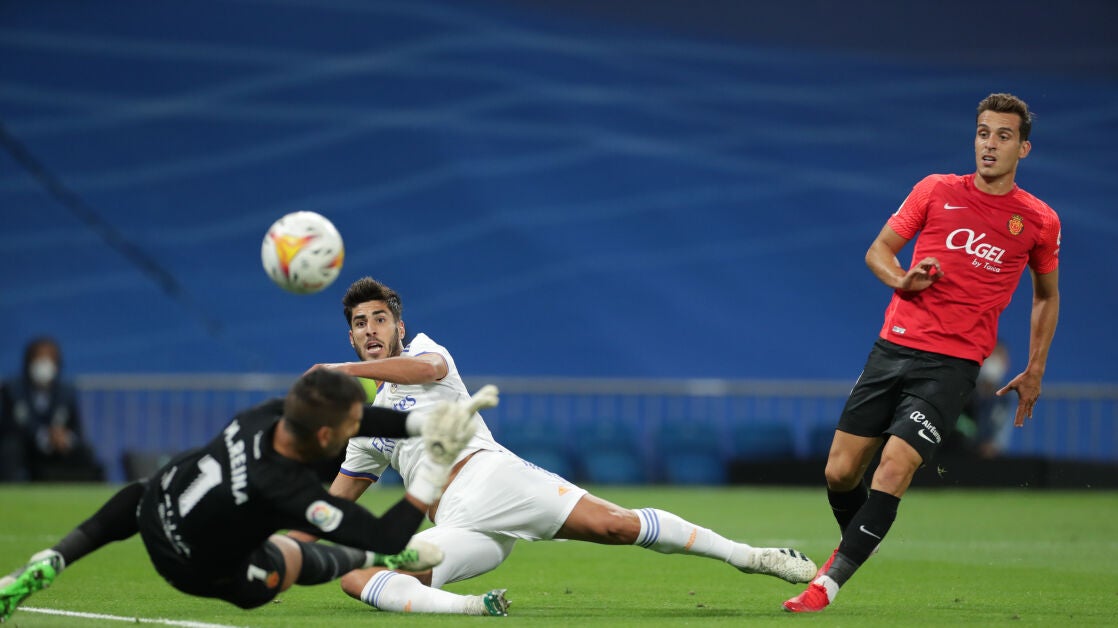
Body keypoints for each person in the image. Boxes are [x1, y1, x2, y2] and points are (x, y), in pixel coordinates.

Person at [302, 277, 817, 616]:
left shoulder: (426, 353)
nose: (370, 329)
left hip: (491, 480)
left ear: (399, 326)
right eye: (360, 324)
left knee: (617, 526)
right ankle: (474, 607)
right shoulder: (364, 426)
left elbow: (426, 370)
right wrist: (284, 546)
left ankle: (749, 556)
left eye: (379, 319)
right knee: (357, 577)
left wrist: (343, 370)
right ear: (351, 336)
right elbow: (336, 501)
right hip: (459, 525)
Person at [783, 93, 1060, 613]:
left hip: (952, 366)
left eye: (1003, 136)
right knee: (839, 472)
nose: (990, 145)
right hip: (892, 349)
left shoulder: (1038, 221)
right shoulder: (935, 189)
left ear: (1023, 148)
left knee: (892, 468)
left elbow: (1046, 295)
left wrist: (1035, 367)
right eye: (983, 133)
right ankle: (860, 542)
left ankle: (827, 584)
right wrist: (901, 280)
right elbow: (878, 251)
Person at [0, 369, 510, 623]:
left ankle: (53, 558)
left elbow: (353, 418)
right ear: (326, 438)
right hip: (194, 568)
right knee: (288, 557)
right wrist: (431, 470)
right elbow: (387, 532)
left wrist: (423, 423)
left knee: (140, 493)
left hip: (157, 506)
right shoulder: (288, 490)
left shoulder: (264, 414)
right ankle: (363, 563)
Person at [0, 337, 103, 482]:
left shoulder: (66, 392)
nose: (44, 364)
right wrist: (45, 436)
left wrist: (66, 438)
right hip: (25, 444)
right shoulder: (12, 389)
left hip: (57, 448)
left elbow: (76, 429)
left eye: (49, 358)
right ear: (29, 361)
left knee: (85, 451)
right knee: (10, 448)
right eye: (39, 358)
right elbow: (9, 426)